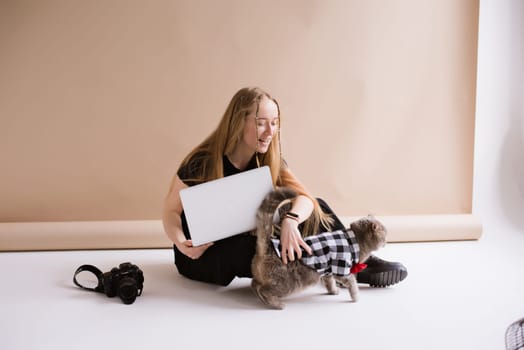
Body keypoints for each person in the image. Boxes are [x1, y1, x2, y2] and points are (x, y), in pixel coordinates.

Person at [162, 87, 407, 287]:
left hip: (248, 239)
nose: (270, 132)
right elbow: (171, 211)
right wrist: (183, 242)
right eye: (261, 123)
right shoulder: (203, 160)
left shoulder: (269, 158)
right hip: (201, 256)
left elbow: (307, 199)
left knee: (316, 207)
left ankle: (354, 259)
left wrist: (291, 221)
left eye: (275, 123)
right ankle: (329, 266)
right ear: (239, 122)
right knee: (251, 247)